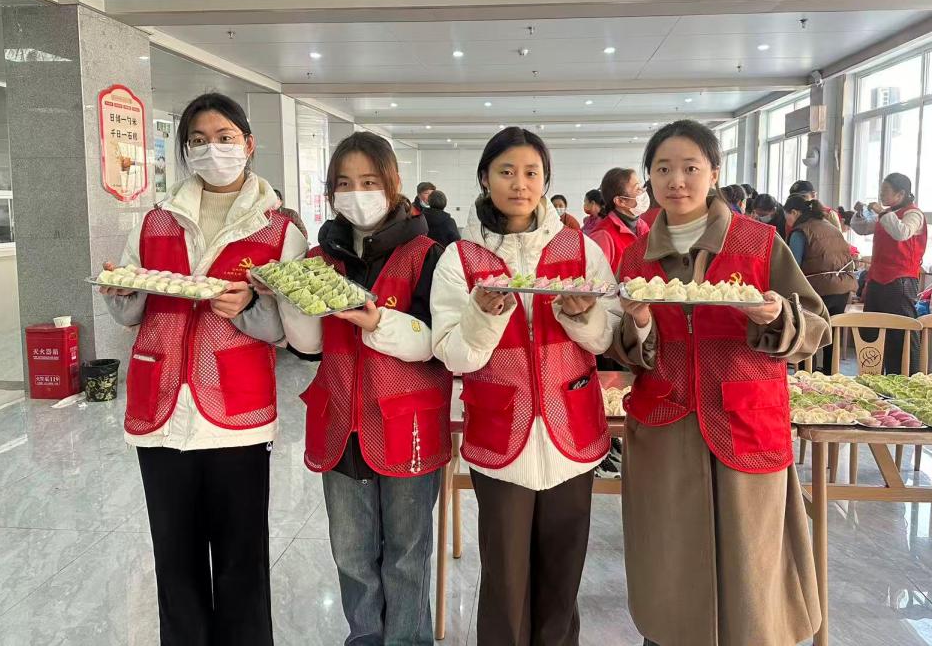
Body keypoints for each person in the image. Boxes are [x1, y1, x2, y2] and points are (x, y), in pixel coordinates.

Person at [99, 92, 308, 646]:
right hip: (161, 406)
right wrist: (120, 291)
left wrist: (251, 306)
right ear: (185, 150)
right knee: (174, 558)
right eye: (197, 140)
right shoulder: (155, 220)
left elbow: (289, 332)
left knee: (242, 559)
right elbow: (131, 310)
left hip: (236, 409)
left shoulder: (279, 231)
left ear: (248, 144)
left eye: (224, 138)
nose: (211, 149)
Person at [612, 119, 829, 646]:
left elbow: (816, 326)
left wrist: (776, 315)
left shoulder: (759, 242)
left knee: (750, 567)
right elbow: (625, 349)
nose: (676, 181)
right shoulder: (637, 256)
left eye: (690, 167)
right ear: (649, 178)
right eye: (662, 169)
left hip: (744, 419)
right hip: (666, 423)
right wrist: (637, 324)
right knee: (670, 565)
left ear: (714, 173)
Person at [431, 127, 619, 646]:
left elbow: (608, 335)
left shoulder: (579, 248)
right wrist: (483, 315)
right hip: (500, 431)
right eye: (506, 172)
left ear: (545, 180)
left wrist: (582, 317)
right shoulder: (461, 258)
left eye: (531, 173)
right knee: (506, 583)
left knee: (562, 578)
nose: (520, 184)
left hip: (572, 428)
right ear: (484, 178)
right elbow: (452, 352)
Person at [284, 131, 452, 645]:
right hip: (340, 420)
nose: (357, 193)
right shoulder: (320, 256)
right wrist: (289, 296)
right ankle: (363, 638)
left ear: (393, 182)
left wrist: (379, 323)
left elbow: (439, 344)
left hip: (407, 424)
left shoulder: (429, 254)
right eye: (344, 183)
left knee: (406, 554)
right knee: (352, 555)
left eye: (369, 181)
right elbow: (309, 348)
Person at [850, 173, 927, 374]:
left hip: (900, 281)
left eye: (885, 191)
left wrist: (881, 212)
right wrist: (859, 214)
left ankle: (906, 379)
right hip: (877, 279)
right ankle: (872, 376)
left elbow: (901, 233)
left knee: (900, 334)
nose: (881, 195)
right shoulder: (888, 214)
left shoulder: (913, 214)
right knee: (871, 331)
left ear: (900, 194)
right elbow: (863, 228)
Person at [784, 194, 857, 374]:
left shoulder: (801, 231)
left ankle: (806, 376)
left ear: (794, 212)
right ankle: (830, 375)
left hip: (817, 290)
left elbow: (793, 267)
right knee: (831, 334)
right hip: (842, 289)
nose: (788, 221)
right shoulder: (831, 227)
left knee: (808, 333)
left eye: (788, 216)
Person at [590, 167, 650, 272]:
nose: (642, 192)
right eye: (637, 189)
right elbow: (596, 279)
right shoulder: (603, 235)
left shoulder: (642, 226)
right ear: (620, 201)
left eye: (641, 186)